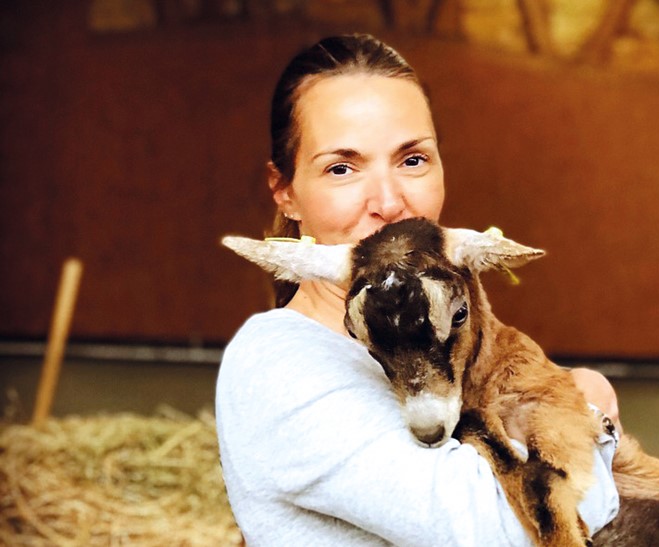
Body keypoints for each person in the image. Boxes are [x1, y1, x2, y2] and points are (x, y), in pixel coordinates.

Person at [216, 33, 621, 546]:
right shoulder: (277, 363)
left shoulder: (458, 336)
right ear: (286, 192)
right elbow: (500, 533)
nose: (388, 202)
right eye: (341, 168)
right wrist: (589, 415)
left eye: (412, 160)